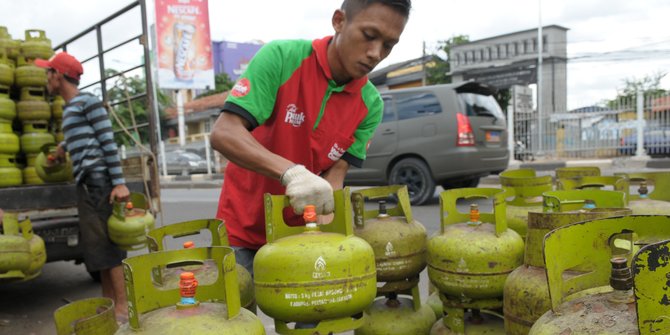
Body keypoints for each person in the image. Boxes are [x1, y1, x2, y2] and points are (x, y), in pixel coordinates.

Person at [210, 0, 411, 275]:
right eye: (369, 36)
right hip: (243, 229)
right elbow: (224, 132)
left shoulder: (370, 104)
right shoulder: (281, 58)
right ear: (339, 21)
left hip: (306, 235)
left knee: (316, 311)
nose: (376, 53)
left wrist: (332, 226)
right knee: (239, 315)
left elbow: (336, 177)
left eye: (389, 45)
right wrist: (291, 173)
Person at [34, 52, 130, 322]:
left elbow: (107, 141)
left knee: (109, 247)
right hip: (87, 183)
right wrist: (61, 150)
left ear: (58, 76)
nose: (46, 79)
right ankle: (108, 304)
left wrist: (119, 182)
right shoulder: (70, 109)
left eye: (48, 73)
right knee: (97, 249)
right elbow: (80, 137)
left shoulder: (88, 102)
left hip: (99, 181)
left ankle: (122, 308)